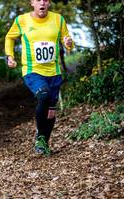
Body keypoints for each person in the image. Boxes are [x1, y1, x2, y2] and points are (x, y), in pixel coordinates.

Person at [5, 0, 74, 156]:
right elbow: (9, 37)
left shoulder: (58, 19)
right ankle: (39, 139)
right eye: (38, 0)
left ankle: (43, 141)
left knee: (51, 112)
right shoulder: (21, 20)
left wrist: (68, 42)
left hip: (54, 73)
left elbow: (68, 41)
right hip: (32, 70)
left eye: (45, 0)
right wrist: (9, 56)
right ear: (32, 3)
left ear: (48, 3)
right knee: (43, 95)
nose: (42, 2)